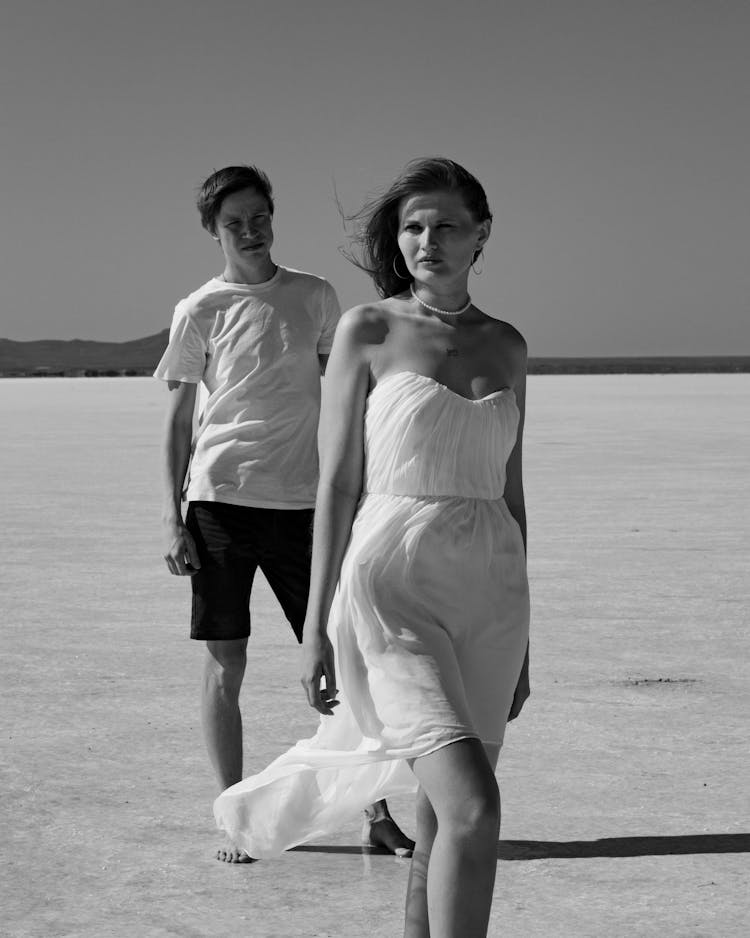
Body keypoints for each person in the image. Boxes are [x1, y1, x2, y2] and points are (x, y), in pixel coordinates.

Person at [214, 156, 530, 937]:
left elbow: (513, 493)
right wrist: (318, 624)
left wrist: (529, 644)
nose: (428, 240)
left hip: (492, 596)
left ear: (481, 234)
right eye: (413, 226)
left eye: (446, 225)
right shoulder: (370, 328)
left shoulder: (508, 345)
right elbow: (337, 487)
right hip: (393, 588)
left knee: (440, 821)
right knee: (475, 807)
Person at [155, 164, 414, 863]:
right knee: (223, 664)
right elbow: (180, 421)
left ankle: (376, 814)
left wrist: (364, 488)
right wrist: (174, 518)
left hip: (305, 505)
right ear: (213, 229)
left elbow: (346, 395)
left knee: (342, 661)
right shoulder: (198, 310)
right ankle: (235, 815)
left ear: (273, 217)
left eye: (259, 215)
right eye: (234, 220)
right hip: (219, 501)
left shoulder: (314, 296)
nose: (250, 229)